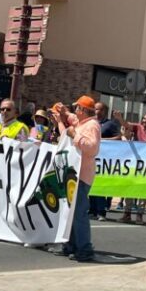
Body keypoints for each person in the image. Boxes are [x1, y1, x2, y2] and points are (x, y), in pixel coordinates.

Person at [49, 95, 101, 262]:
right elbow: (73, 120)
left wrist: (74, 136)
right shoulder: (84, 122)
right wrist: (65, 113)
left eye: (77, 108)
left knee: (78, 213)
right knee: (71, 212)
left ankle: (85, 249)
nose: (75, 111)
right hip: (75, 174)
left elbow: (92, 149)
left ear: (84, 110)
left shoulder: (92, 125)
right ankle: (71, 245)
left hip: (82, 175)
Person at [92, 101, 121, 220]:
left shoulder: (109, 124)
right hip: (92, 158)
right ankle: (92, 210)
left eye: (98, 109)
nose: (96, 111)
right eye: (95, 109)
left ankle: (101, 211)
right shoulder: (92, 123)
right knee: (92, 185)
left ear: (103, 111)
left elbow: (119, 137)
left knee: (99, 186)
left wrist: (103, 140)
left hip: (104, 161)